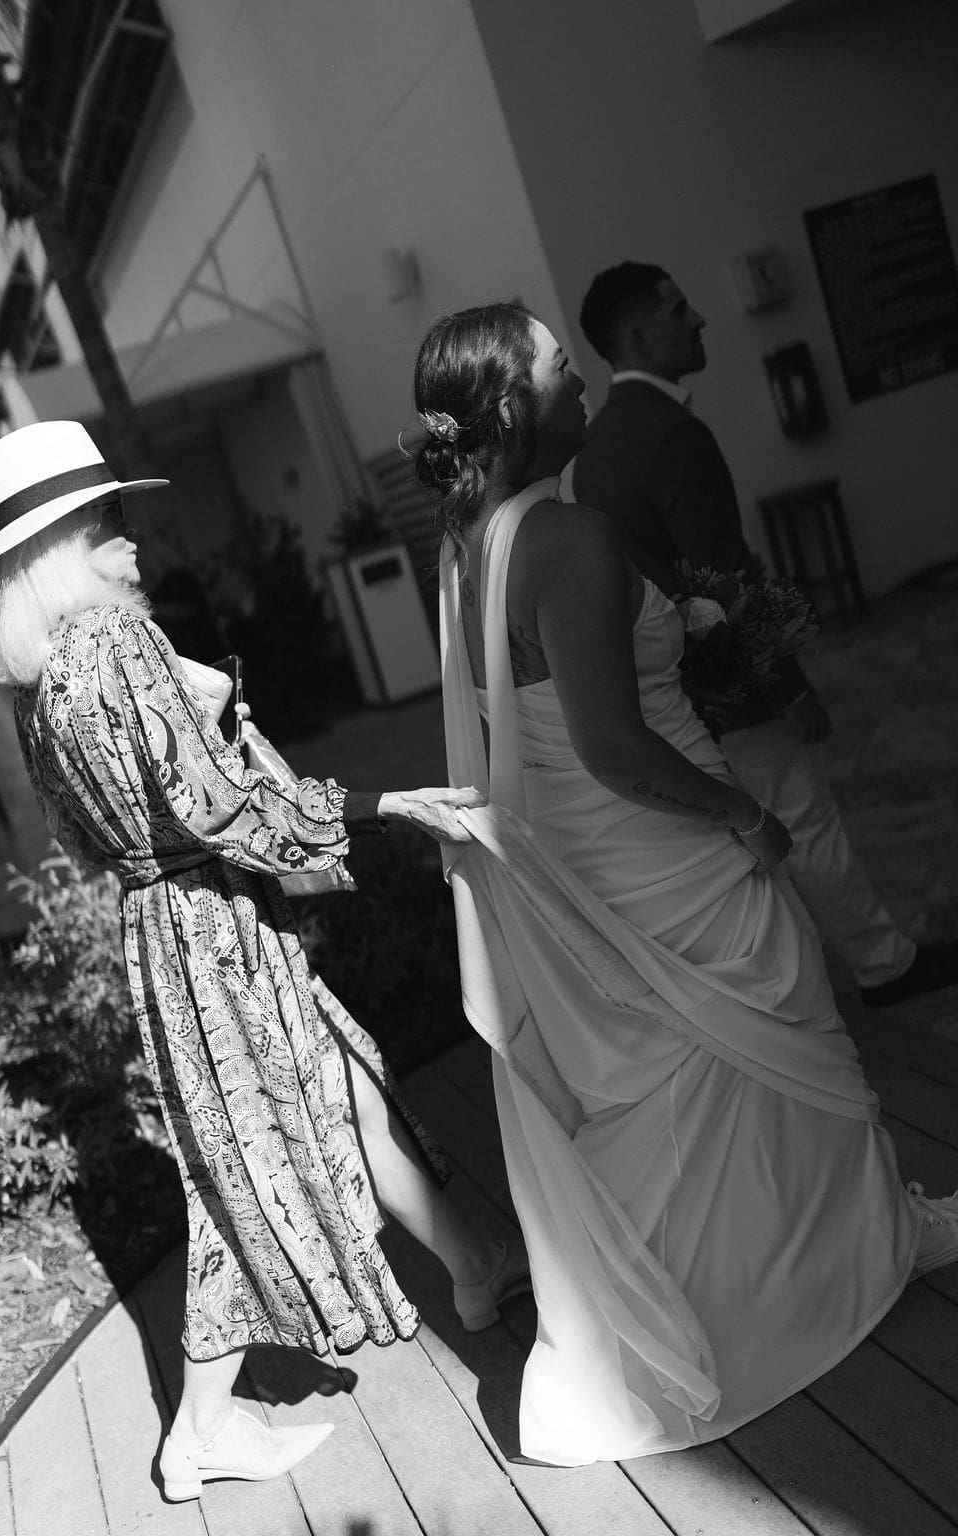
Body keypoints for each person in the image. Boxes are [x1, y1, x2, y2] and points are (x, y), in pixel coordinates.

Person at [409, 300, 958, 1466]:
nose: (579, 381)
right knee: (774, 1022)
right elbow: (613, 745)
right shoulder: (568, 539)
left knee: (690, 1077)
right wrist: (742, 811)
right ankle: (831, 1271)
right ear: (513, 405)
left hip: (580, 861)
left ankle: (831, 1254)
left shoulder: (460, 554)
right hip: (660, 842)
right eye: (560, 368)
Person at [0, 420, 529, 1503]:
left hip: (163, 929)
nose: (132, 536)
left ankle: (474, 1268)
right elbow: (220, 808)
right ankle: (201, 1428)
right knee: (241, 1167)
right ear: (61, 548)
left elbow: (93, 839)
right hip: (216, 926)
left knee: (339, 1086)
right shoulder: (117, 644)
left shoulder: (38, 690)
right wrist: (385, 805)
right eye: (107, 520)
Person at [572, 262, 958, 1009]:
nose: (699, 319)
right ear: (640, 335)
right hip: (727, 681)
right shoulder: (673, 434)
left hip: (670, 689)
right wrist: (791, 689)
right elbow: (724, 581)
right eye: (678, 310)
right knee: (806, 820)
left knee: (744, 844)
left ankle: (793, 988)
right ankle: (885, 965)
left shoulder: (595, 448)